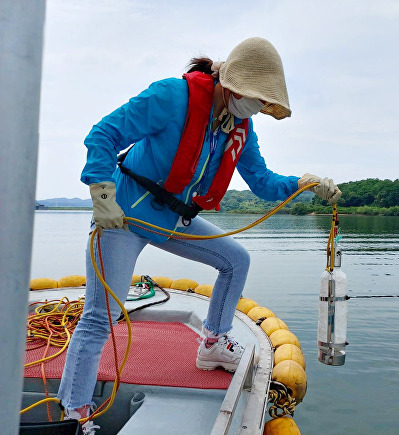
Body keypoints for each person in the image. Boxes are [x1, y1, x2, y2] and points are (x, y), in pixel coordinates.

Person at [56, 37, 341, 433]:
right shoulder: (171, 96)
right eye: (254, 97)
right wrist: (102, 195)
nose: (256, 107)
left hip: (171, 222)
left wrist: (303, 183)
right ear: (231, 83)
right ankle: (75, 410)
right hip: (120, 219)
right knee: (99, 318)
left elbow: (261, 180)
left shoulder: (240, 127)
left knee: (235, 259)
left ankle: (213, 344)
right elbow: (104, 133)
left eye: (263, 101)